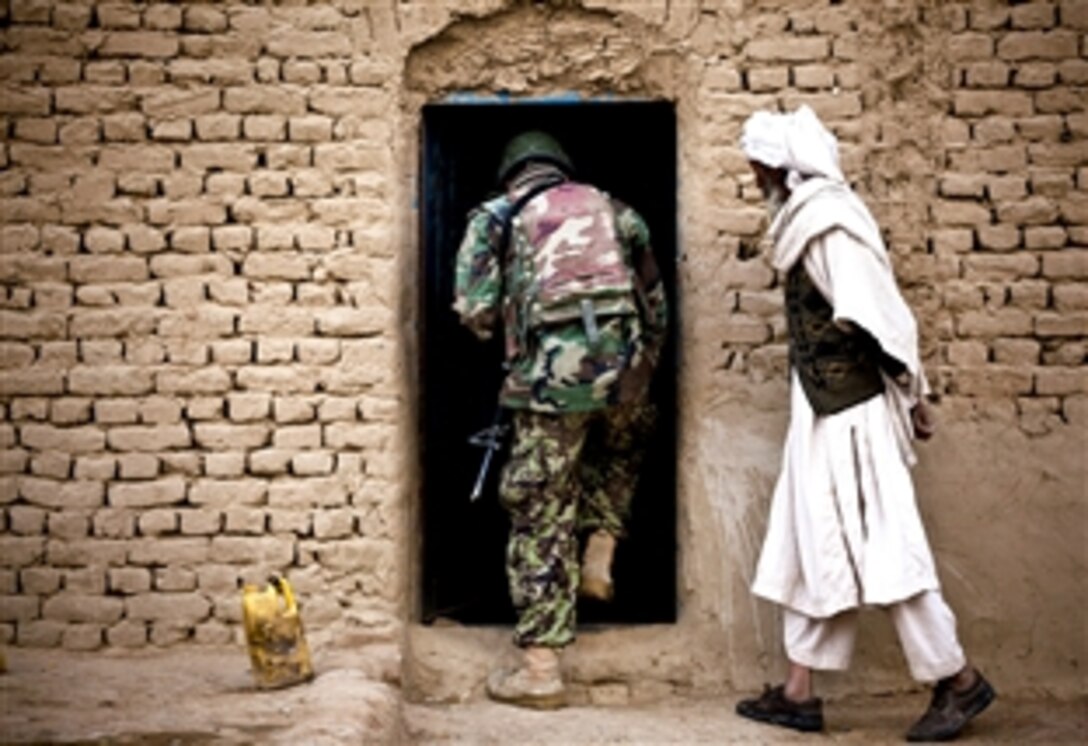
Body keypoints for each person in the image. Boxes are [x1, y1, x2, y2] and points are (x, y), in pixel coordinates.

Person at [733, 106, 995, 742]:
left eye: (757, 163)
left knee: (884, 548)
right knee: (815, 542)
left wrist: (911, 394)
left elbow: (878, 313)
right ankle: (799, 691)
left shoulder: (829, 222)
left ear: (781, 164)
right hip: (823, 413)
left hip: (853, 414)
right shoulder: (804, 218)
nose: (752, 175)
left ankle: (958, 681)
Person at [452, 130, 668, 709]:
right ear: (563, 172)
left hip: (548, 393)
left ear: (510, 177)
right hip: (624, 380)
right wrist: (637, 374)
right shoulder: (617, 211)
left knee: (540, 512)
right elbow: (656, 307)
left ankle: (541, 671)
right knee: (621, 451)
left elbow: (473, 311)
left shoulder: (495, 219)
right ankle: (602, 543)